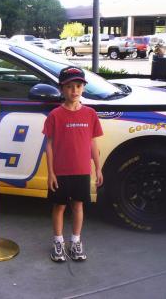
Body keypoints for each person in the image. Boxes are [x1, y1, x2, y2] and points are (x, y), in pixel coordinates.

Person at [42, 66, 103, 263]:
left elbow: (93, 142)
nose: (74, 90)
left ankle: (75, 241)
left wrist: (98, 167)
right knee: (59, 206)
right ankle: (58, 242)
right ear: (61, 89)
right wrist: (50, 172)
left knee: (78, 206)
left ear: (83, 88)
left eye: (78, 86)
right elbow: (49, 145)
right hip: (60, 171)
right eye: (69, 87)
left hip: (82, 171)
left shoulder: (90, 114)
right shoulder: (55, 115)